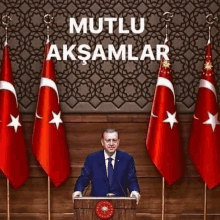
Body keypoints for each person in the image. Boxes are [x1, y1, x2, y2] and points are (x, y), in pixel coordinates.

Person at [72, 128, 141, 205]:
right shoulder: (92, 158)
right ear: (102, 142)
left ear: (118, 142)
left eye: (114, 140)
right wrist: (78, 191)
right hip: (96, 205)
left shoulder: (127, 159)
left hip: (121, 204)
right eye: (108, 140)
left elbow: (131, 180)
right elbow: (84, 178)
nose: (111, 144)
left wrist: (134, 191)